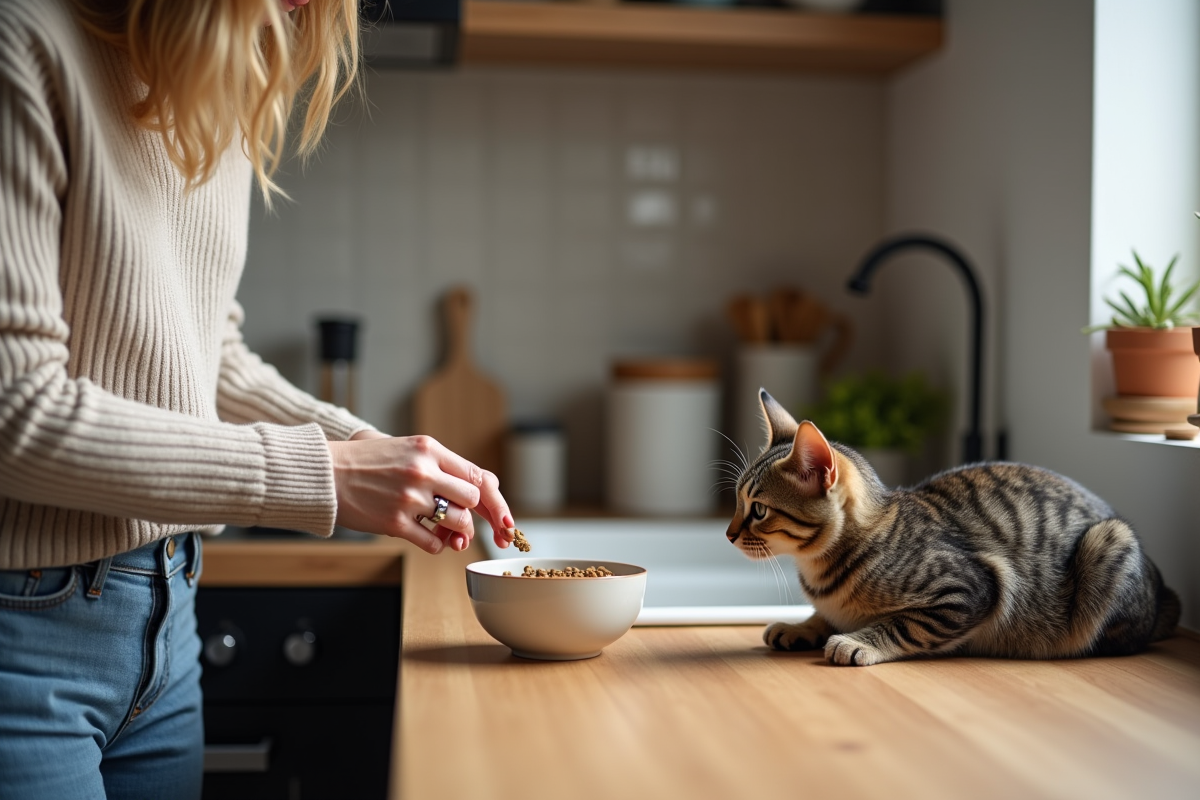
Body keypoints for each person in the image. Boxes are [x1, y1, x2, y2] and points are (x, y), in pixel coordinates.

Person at [0, 0, 517, 796]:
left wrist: (375, 451)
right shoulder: (24, 45)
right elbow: (17, 415)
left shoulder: (213, 89)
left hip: (169, 625)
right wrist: (329, 476)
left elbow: (211, 360)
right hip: (22, 643)